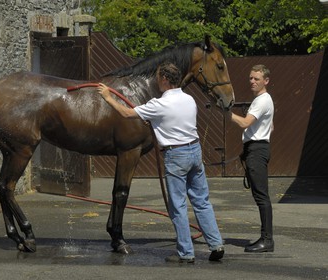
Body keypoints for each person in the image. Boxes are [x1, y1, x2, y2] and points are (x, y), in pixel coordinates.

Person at [97, 62, 224, 263]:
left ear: (164, 79)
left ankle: (186, 253)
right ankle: (216, 244)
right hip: (195, 151)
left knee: (178, 206)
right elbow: (173, 120)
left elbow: (127, 114)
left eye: (158, 78)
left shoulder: (159, 104)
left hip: (177, 155)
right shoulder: (189, 99)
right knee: (201, 201)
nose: (157, 81)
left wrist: (107, 97)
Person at [228, 64, 275, 253]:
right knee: (260, 195)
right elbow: (271, 126)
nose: (252, 82)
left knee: (262, 196)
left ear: (266, 81)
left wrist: (225, 113)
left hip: (257, 150)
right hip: (255, 148)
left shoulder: (262, 100)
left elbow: (245, 122)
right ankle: (266, 238)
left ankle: (267, 240)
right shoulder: (264, 100)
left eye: (256, 79)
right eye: (250, 78)